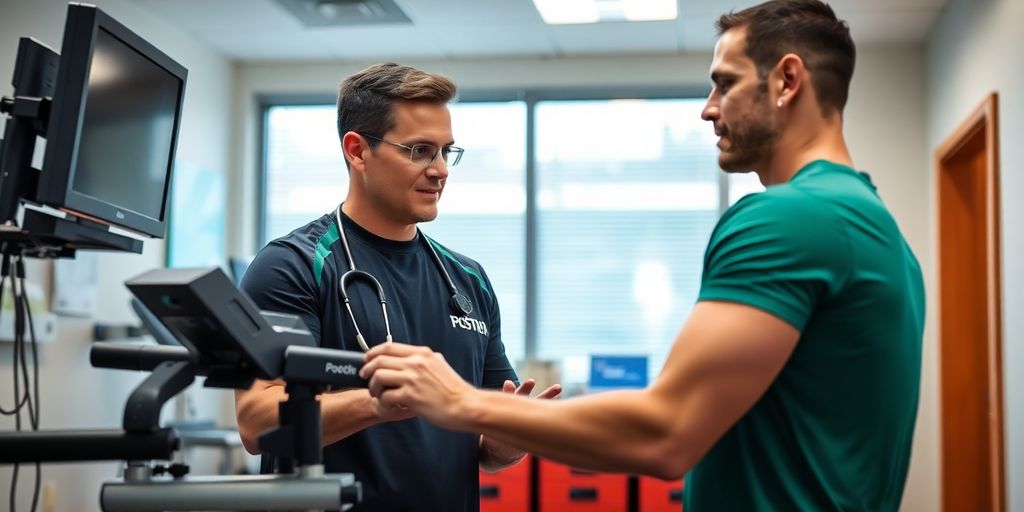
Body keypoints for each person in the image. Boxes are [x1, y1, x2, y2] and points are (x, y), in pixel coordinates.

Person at [359, 1, 926, 510]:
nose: (708, 109)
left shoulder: (788, 218)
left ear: (787, 79)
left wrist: (457, 400)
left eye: (724, 84)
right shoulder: (880, 232)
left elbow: (665, 432)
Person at [234, 62, 560, 512]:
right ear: (357, 150)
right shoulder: (291, 266)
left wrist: (510, 438)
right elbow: (258, 422)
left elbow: (488, 445)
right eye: (420, 150)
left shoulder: (468, 280)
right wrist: (382, 403)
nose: (440, 170)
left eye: (447, 151)